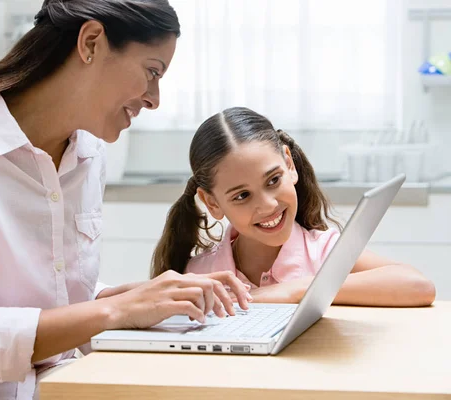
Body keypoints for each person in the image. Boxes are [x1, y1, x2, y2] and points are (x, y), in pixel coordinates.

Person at [0, 2, 250, 399]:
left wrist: (149, 299)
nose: (154, 99)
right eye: (151, 72)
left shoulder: (88, 152)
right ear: (91, 42)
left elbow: (58, 296)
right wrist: (116, 311)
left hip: (49, 385)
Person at [152, 107, 436, 307]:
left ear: (289, 165)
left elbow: (418, 286)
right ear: (212, 203)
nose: (268, 205)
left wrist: (297, 290)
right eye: (242, 196)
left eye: (273, 180)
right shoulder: (199, 275)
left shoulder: (326, 253)